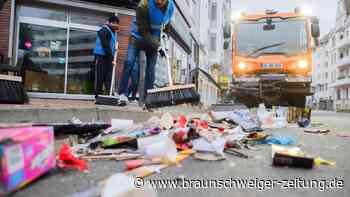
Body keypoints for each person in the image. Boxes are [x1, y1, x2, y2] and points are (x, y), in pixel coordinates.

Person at [118, 0, 175, 103]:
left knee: (151, 69)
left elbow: (166, 25)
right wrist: (158, 45)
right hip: (137, 37)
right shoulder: (143, 5)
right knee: (129, 62)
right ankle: (122, 94)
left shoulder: (170, 6)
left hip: (154, 38)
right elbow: (144, 32)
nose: (159, 2)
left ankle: (147, 99)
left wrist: (165, 39)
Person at [93, 16, 120, 98]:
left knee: (108, 77)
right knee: (100, 77)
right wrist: (112, 58)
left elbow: (111, 46)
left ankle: (109, 96)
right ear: (110, 23)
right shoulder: (104, 31)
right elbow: (105, 46)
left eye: (117, 24)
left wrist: (115, 51)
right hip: (101, 57)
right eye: (115, 24)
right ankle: (97, 97)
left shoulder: (112, 32)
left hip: (107, 58)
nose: (117, 26)